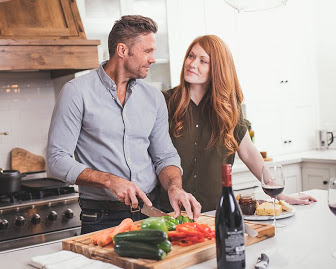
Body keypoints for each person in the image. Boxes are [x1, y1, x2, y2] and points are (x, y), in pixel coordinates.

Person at [47, 15, 201, 234]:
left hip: (150, 211)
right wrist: (110, 181)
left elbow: (164, 156)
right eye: (147, 51)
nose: (153, 59)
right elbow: (56, 160)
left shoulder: (153, 97)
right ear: (122, 50)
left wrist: (175, 188)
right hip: (101, 217)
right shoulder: (76, 92)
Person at [160, 35, 317, 212]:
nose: (192, 64)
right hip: (171, 212)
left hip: (215, 212)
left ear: (217, 68)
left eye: (203, 61)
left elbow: (249, 152)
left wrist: (279, 194)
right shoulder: (164, 102)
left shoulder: (227, 108)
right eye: (191, 56)